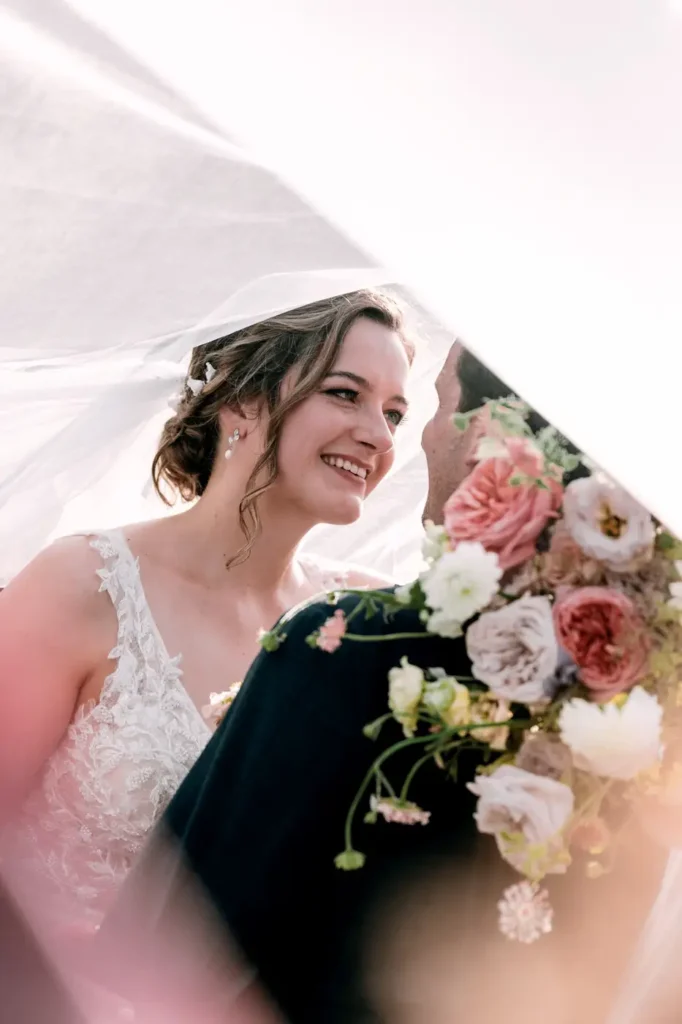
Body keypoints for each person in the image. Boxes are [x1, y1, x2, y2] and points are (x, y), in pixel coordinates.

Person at [105, 341, 668, 1023]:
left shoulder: (353, 644)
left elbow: (161, 945)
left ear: (488, 437)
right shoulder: (642, 721)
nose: (413, 435)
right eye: (348, 394)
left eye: (428, 405)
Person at [0, 289, 414, 945]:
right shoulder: (84, 586)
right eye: (345, 393)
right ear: (242, 398)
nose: (379, 434)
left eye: (394, 412)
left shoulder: (372, 627)